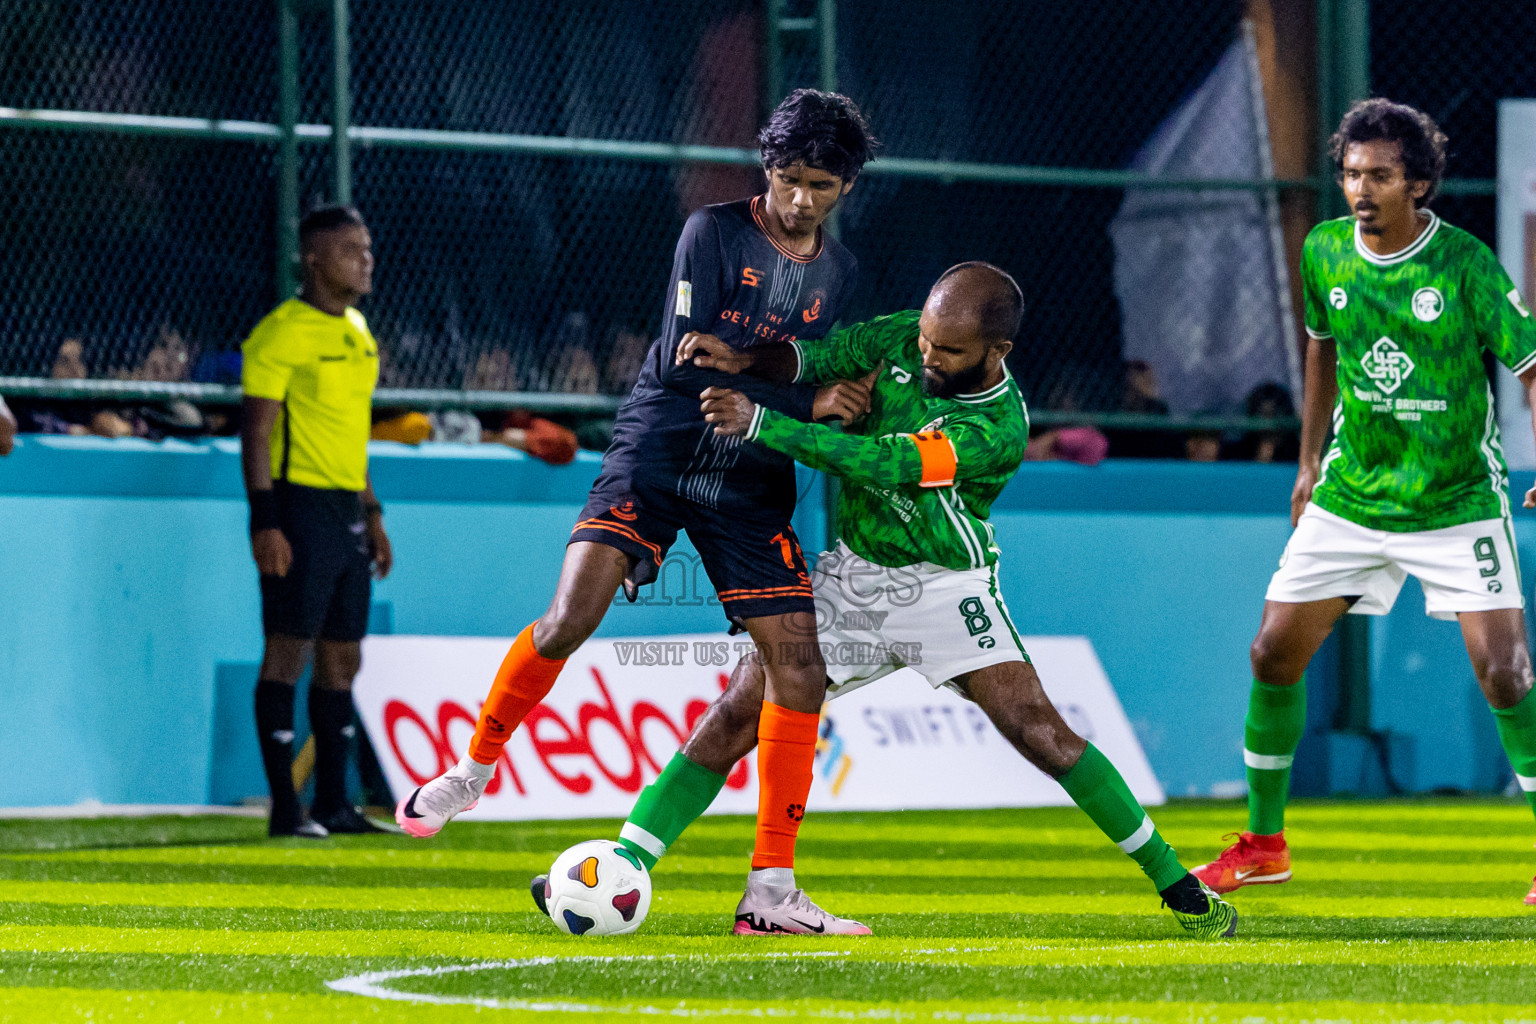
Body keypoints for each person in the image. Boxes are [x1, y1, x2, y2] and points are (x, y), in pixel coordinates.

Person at [533, 263, 1237, 939]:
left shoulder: (998, 429)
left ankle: (1176, 882)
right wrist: (748, 360)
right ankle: (626, 863)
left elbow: (891, 463)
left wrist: (761, 424)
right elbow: (821, 356)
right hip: (852, 579)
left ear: (998, 352)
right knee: (737, 712)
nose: (926, 354)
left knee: (1040, 732)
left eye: (949, 350)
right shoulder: (908, 334)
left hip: (943, 587)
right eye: (927, 339)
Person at [395, 91, 881, 889]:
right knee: (568, 619)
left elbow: (816, 371)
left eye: (820, 186)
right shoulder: (714, 232)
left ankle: (774, 887)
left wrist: (786, 384)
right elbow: (689, 363)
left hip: (750, 472)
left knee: (799, 666)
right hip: (659, 447)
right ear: (767, 167)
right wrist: (801, 391)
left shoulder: (842, 271)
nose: (801, 198)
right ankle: (471, 772)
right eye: (789, 178)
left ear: (846, 189)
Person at [1193, 99, 1536, 907]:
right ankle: (1265, 844)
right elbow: (1321, 347)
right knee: (1272, 650)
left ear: (1418, 184)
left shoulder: (1463, 264)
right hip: (1352, 493)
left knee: (1506, 675)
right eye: (1351, 173)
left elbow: (1530, 366)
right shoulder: (1324, 252)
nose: (1360, 188)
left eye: (1379, 175)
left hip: (1455, 499)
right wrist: (1308, 461)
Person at [240, 204, 394, 838]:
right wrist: (264, 522)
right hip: (296, 508)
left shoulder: (359, 331)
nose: (366, 258)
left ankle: (335, 802)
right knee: (286, 653)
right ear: (313, 258)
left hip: (345, 513)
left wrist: (374, 512)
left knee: (342, 661)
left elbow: (350, 438)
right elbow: (256, 435)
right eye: (351, 248)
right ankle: (286, 808)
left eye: (366, 246)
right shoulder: (280, 334)